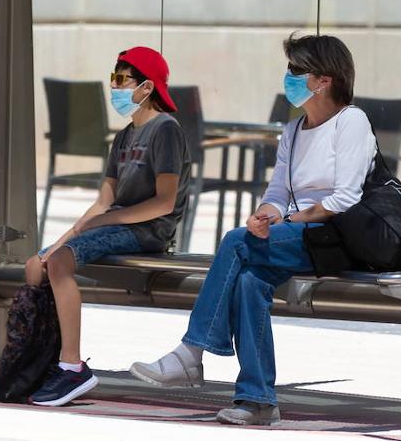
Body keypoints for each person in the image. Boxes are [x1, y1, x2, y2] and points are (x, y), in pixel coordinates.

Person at [129, 34, 376, 426]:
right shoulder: (294, 131)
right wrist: (264, 215)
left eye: (296, 71)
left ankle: (192, 351)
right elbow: (278, 192)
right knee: (249, 280)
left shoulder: (351, 122)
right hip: (297, 237)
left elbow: (344, 199)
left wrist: (289, 220)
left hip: (337, 238)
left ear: (324, 80)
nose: (288, 77)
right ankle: (258, 400)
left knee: (234, 242)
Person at [23, 47, 192, 407]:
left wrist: (108, 219)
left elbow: (164, 202)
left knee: (61, 262)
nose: (112, 86)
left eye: (120, 79)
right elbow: (101, 203)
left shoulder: (166, 130)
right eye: (112, 78)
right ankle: (41, 359)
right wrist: (60, 240)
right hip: (117, 224)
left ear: (146, 87)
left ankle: (72, 367)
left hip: (150, 230)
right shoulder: (124, 136)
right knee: (37, 263)